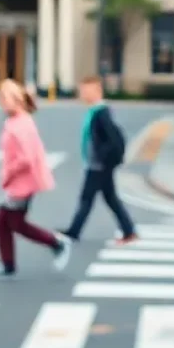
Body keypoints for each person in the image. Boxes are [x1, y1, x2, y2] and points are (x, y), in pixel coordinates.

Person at [0, 79, 71, 280]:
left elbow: (26, 158)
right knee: (5, 221)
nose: (3, 102)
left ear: (18, 100)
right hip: (19, 181)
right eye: (2, 98)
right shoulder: (15, 121)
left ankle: (56, 243)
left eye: (6, 98)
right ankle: (8, 265)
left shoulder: (22, 124)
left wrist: (9, 174)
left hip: (22, 182)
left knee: (13, 222)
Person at [61, 75, 137, 244]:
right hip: (97, 163)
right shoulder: (96, 111)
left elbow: (110, 139)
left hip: (98, 165)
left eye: (86, 91)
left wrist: (101, 158)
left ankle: (74, 232)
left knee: (86, 198)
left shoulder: (101, 113)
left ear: (97, 91)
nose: (82, 94)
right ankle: (129, 230)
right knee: (110, 198)